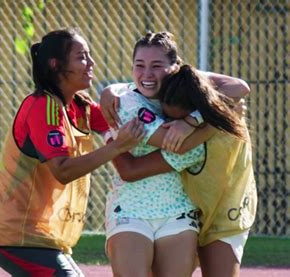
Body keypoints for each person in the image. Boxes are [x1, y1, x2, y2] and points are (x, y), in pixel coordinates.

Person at [0, 28, 144, 276]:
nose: (91, 63)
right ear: (56, 65)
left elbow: (121, 116)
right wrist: (117, 146)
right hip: (16, 235)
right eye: (81, 57)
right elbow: (63, 170)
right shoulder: (43, 106)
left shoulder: (81, 105)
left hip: (44, 238)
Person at [100, 32, 251, 277]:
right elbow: (180, 147)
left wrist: (193, 120)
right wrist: (219, 118)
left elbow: (240, 87)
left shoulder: (191, 93)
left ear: (175, 67)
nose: (147, 74)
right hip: (130, 212)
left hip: (186, 211)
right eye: (139, 65)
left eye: (156, 66)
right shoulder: (127, 104)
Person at [153, 64, 256, 277]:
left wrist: (193, 122)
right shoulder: (224, 111)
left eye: (178, 120)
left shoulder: (228, 118)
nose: (173, 127)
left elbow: (241, 87)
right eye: (169, 120)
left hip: (225, 215)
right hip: (181, 213)